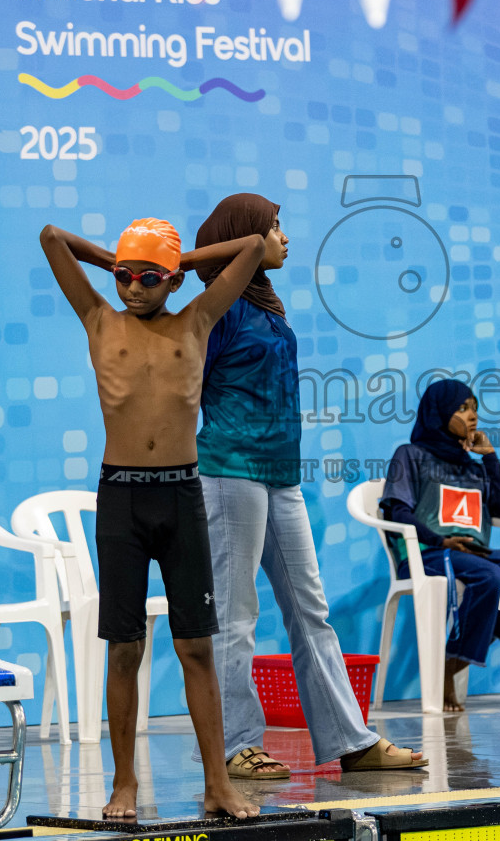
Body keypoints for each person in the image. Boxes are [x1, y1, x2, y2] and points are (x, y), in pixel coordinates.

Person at [39, 217, 265, 820]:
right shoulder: (97, 319)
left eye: (147, 278)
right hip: (122, 502)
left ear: (171, 281)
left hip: (181, 497)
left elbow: (250, 247)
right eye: (124, 277)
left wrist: (179, 262)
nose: (133, 288)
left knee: (196, 647)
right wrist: (125, 255)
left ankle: (218, 784)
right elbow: (51, 238)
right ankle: (124, 784)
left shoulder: (196, 321)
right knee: (123, 649)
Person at [193, 193, 426, 778]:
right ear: (246, 237)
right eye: (273, 228)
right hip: (229, 471)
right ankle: (234, 746)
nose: (284, 238)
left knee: (310, 610)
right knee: (235, 613)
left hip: (280, 475)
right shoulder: (217, 311)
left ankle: (350, 740)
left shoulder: (267, 308)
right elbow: (182, 386)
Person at [381, 378, 500, 712]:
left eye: (475, 409)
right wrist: (440, 539)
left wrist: (491, 457)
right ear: (438, 412)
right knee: (491, 576)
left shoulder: (471, 464)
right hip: (427, 552)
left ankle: (452, 663)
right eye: (462, 408)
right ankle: (450, 665)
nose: (472, 416)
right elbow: (398, 511)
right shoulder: (410, 454)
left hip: (472, 552)